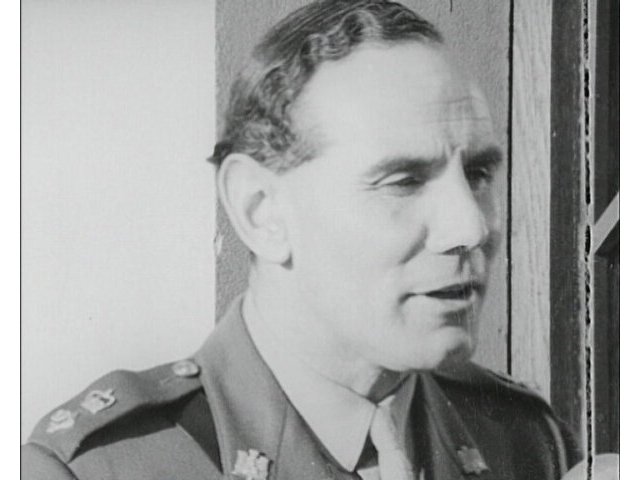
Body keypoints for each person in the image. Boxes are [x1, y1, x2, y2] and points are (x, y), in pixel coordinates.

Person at [22, 1, 583, 479]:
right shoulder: (105, 467)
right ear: (261, 211)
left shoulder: (525, 442)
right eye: (404, 181)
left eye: (478, 174)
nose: (472, 227)